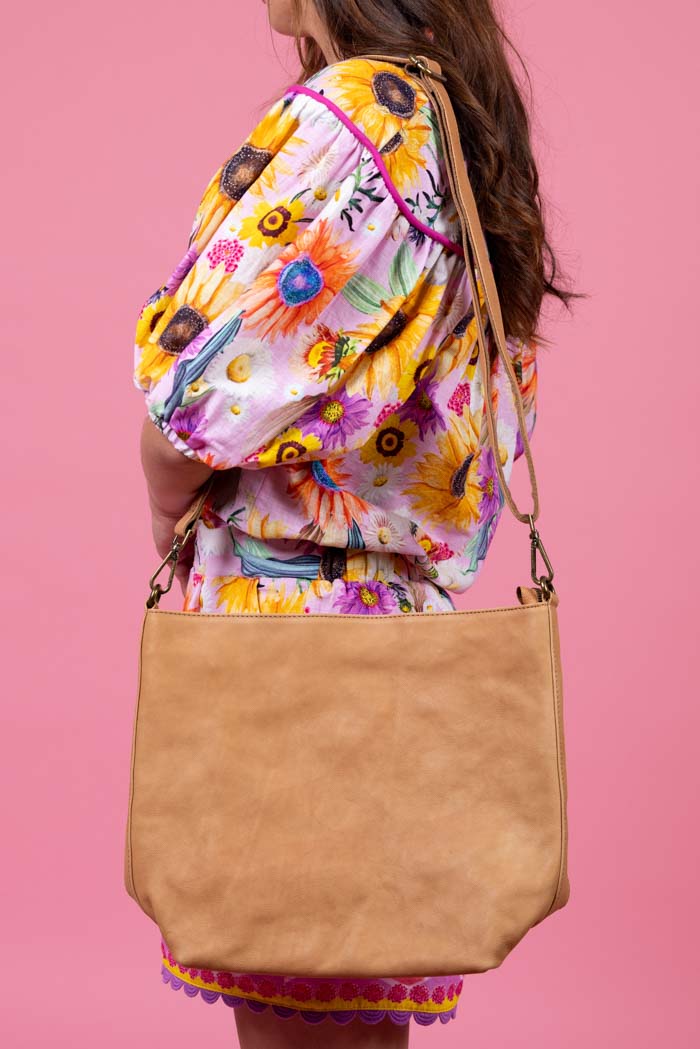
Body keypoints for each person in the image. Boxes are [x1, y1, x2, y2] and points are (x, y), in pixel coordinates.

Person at [134, 2, 573, 1045]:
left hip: (286, 632)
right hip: (394, 628)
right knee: (352, 1021)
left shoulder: (356, 113)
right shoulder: (450, 123)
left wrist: (162, 486)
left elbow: (207, 384)